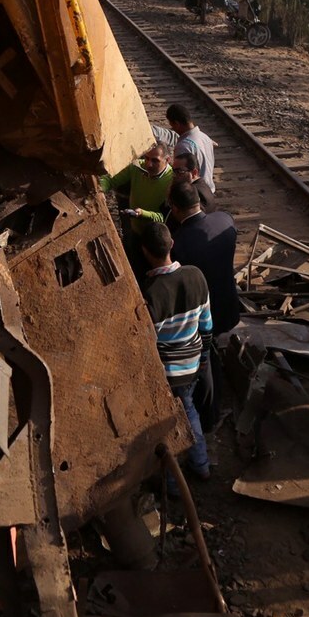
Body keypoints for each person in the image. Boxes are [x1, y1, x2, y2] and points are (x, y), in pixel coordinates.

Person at [137, 224, 212, 479]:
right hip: (193, 364)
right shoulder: (196, 276)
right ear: (171, 244)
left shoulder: (150, 293)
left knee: (166, 425)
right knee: (189, 411)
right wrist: (204, 357)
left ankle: (171, 482)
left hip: (167, 373)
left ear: (145, 251)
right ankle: (201, 464)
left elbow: (147, 343)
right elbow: (207, 325)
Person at [168, 181, 239, 431]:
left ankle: (210, 415)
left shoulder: (179, 244)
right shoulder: (225, 220)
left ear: (175, 209)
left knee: (207, 362)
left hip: (204, 314)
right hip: (229, 302)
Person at [101, 142, 175, 271]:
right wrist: (100, 189)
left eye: (155, 160)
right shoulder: (137, 167)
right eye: (146, 158)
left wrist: (143, 214)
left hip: (156, 241)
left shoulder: (172, 181)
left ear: (167, 160)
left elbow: (167, 217)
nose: (148, 164)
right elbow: (110, 179)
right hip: (135, 232)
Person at [162, 104, 216, 190]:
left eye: (172, 126)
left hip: (194, 192)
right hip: (208, 190)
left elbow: (181, 175)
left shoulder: (183, 146)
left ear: (177, 124)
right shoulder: (205, 137)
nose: (173, 129)